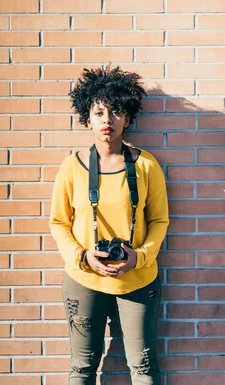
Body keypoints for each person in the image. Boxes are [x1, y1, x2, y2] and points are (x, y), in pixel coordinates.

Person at [49, 66, 169, 385]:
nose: (107, 120)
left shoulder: (145, 166)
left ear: (127, 118)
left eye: (116, 112)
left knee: (143, 368)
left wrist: (138, 257)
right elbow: (59, 222)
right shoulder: (73, 167)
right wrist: (82, 256)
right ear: (87, 118)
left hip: (138, 278)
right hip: (83, 278)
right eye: (99, 112)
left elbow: (159, 220)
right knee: (82, 368)